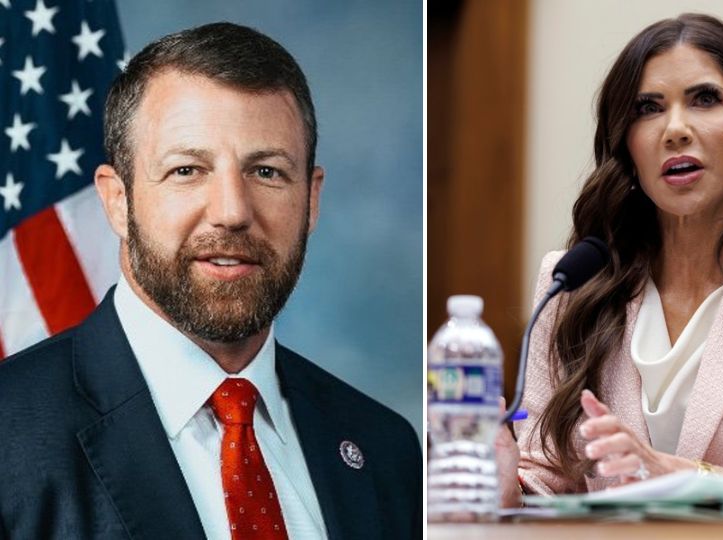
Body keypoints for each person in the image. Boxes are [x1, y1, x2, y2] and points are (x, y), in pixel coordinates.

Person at [0, 23, 420, 539]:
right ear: (116, 200)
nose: (231, 212)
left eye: (266, 172)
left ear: (310, 200)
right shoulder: (9, 438)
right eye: (187, 170)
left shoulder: (386, 449)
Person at [499, 13, 723, 507]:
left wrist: (683, 476)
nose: (675, 129)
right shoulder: (576, 283)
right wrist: (501, 482)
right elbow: (546, 478)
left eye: (705, 99)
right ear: (628, 146)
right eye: (648, 108)